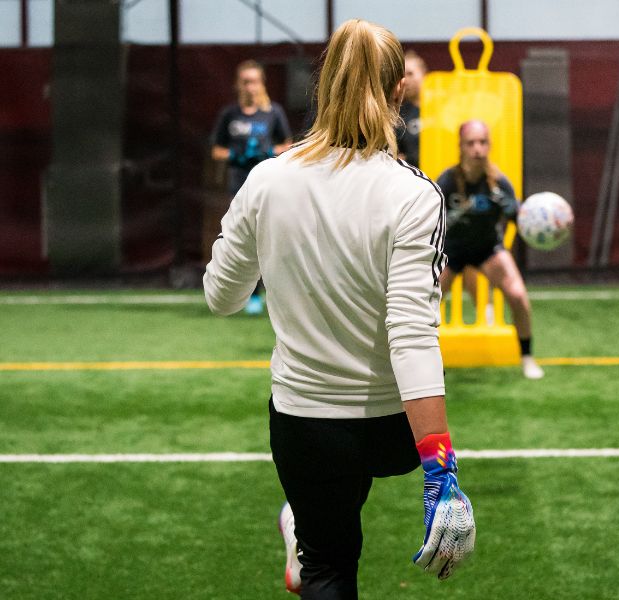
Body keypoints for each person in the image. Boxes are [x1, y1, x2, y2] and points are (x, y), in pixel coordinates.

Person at [204, 19, 475, 600]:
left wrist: (251, 227)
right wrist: (441, 469)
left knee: (327, 569)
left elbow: (221, 297)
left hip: (304, 422)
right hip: (391, 430)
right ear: (399, 92)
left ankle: (307, 528)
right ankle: (310, 522)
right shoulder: (414, 194)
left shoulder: (265, 182)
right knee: (342, 502)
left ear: (322, 89)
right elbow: (412, 337)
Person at [437, 120, 545, 380]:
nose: (477, 149)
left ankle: (527, 357)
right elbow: (431, 219)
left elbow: (519, 218)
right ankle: (426, 363)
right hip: (452, 249)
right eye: (471, 143)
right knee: (426, 303)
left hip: (487, 248)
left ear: (489, 145)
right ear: (461, 147)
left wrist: (525, 214)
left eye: (483, 142)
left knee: (518, 295)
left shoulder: (499, 184)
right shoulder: (447, 181)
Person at [210, 59, 292, 314]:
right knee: (244, 239)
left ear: (262, 84)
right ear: (238, 85)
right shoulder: (229, 115)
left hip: (268, 185)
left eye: (254, 81)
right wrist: (237, 155)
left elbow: (288, 146)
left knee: (273, 236)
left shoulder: (273, 113)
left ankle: (278, 292)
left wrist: (268, 151)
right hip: (239, 187)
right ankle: (250, 294)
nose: (250, 87)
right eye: (245, 81)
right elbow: (217, 151)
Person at [395, 50, 427, 168]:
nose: (406, 80)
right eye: (402, 76)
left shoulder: (442, 109)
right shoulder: (399, 115)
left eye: (410, 74)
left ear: (424, 74)